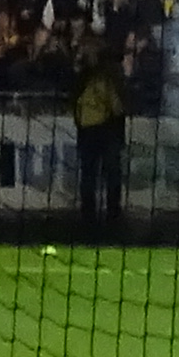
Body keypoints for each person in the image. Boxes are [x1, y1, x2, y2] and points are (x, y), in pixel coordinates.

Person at [70, 40, 129, 236]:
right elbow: (118, 107)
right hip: (106, 130)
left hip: (91, 131)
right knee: (108, 173)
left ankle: (91, 215)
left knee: (91, 174)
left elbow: (76, 105)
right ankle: (111, 214)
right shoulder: (109, 77)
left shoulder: (85, 78)